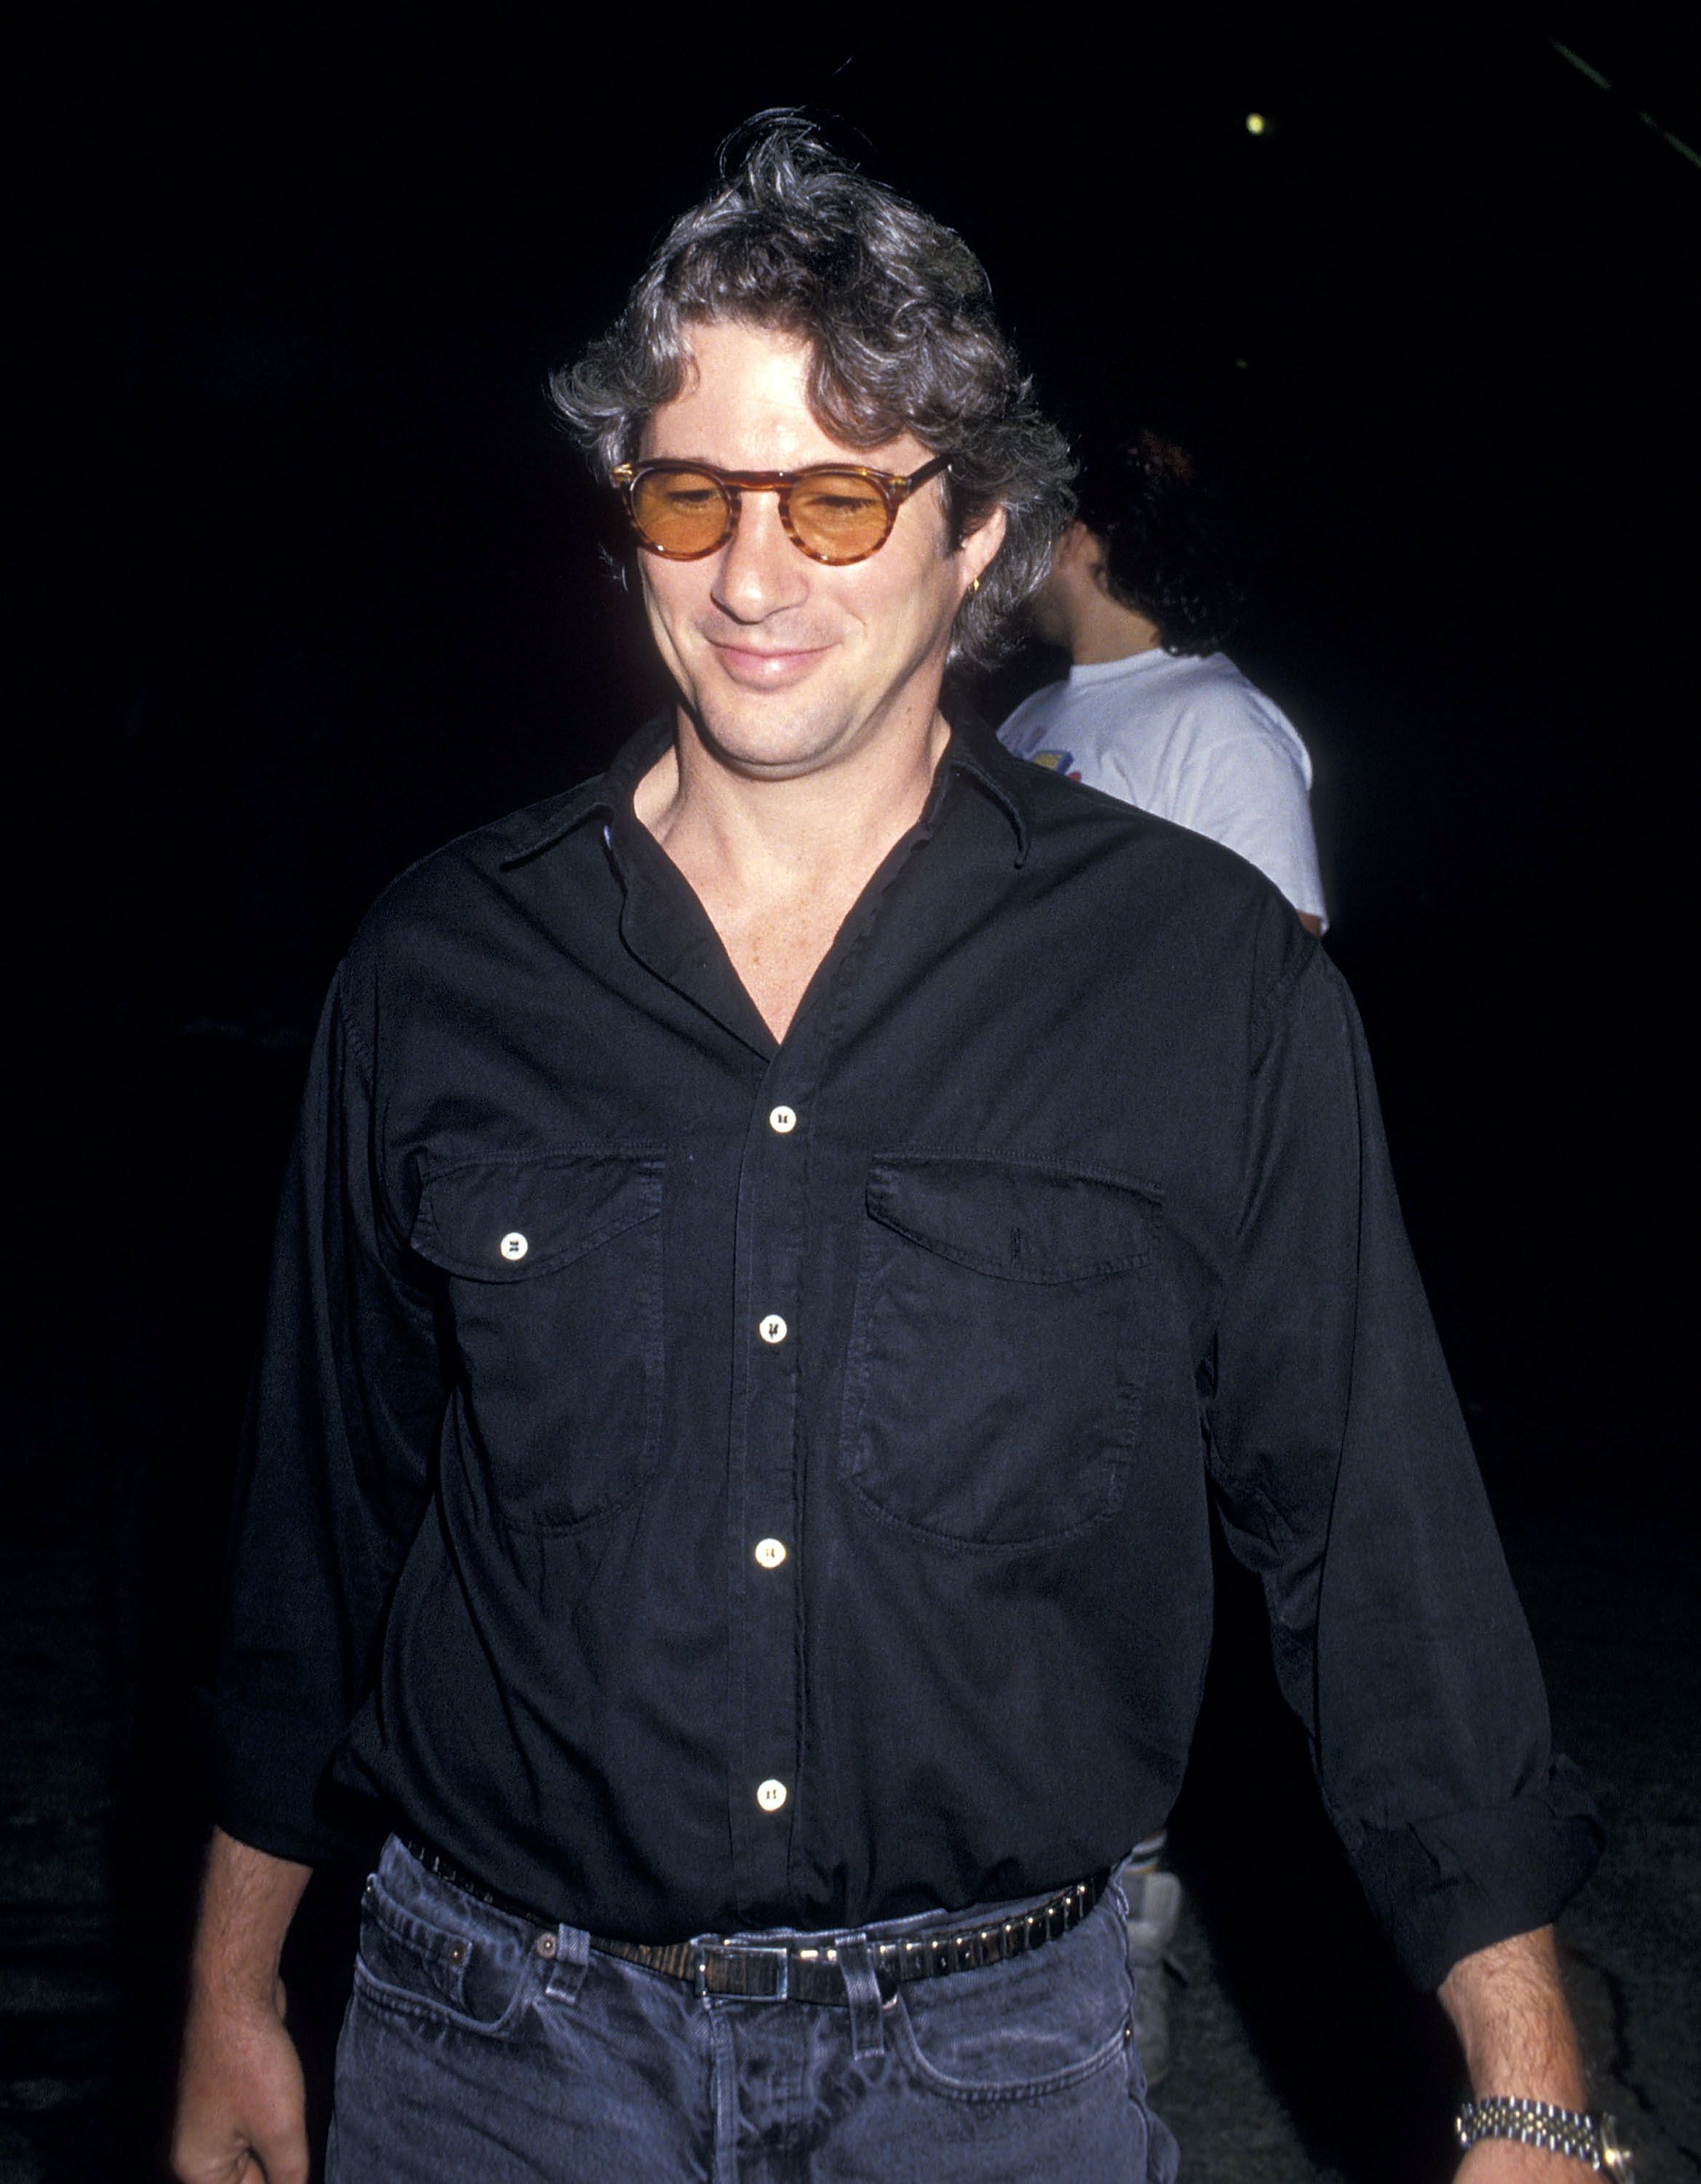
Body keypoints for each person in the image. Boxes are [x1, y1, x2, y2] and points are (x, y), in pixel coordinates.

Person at [173, 120, 1613, 2184]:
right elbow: (316, 1522)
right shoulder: (438, 966)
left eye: (842, 500)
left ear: (983, 537)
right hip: (491, 2050)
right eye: (694, 495)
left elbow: (1376, 1543)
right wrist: (233, 1990)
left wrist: (1530, 2075)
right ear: (628, 520)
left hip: (990, 2074)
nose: (757, 578)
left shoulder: (1202, 981)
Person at [1000, 430, 1329, 935]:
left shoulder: (1220, 721)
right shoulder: (1029, 715)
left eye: (1033, 533)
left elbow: (1280, 951)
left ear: (1072, 538)